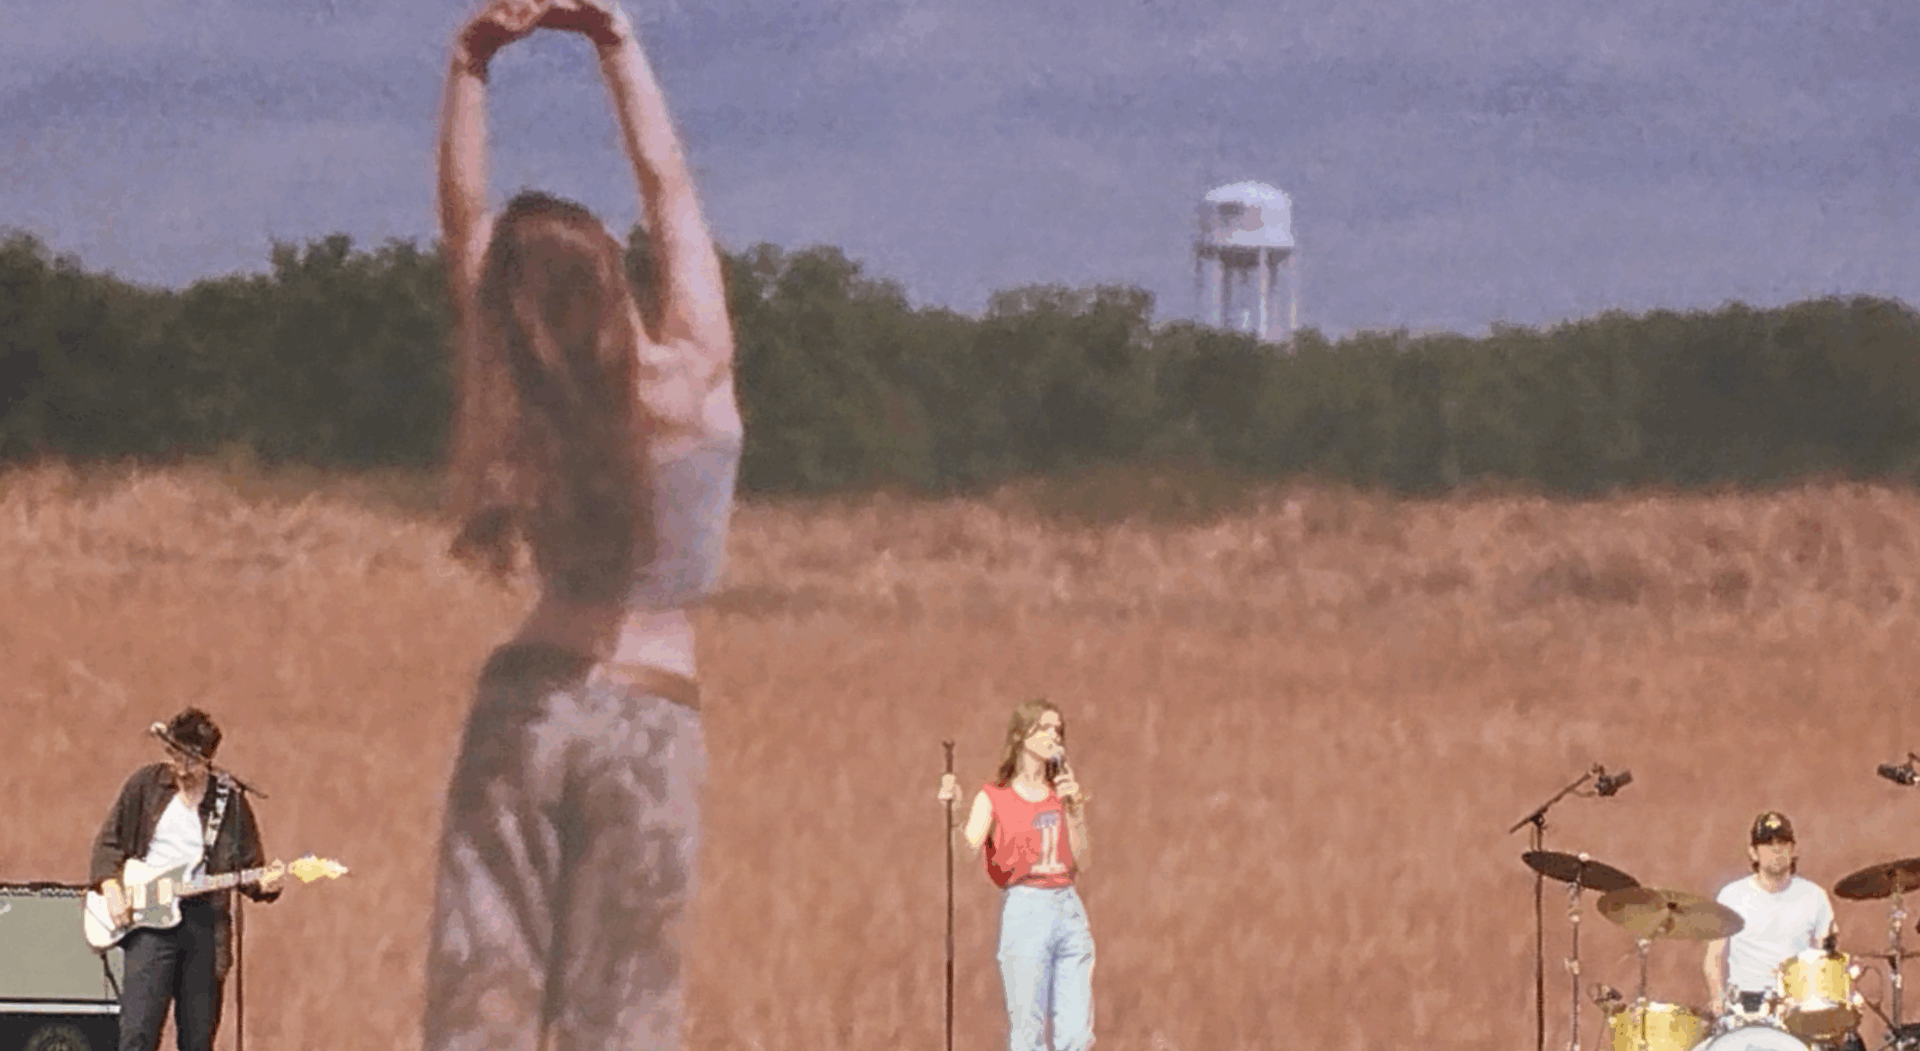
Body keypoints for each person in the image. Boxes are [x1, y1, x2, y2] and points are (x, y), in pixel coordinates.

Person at [423, 0, 741, 1048]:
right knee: (623, 1023)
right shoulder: (692, 380)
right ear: (617, 275)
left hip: (524, 704)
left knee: (482, 1007)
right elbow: (673, 188)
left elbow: (467, 225)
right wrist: (614, 39)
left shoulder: (536, 398)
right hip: (652, 716)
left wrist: (471, 62)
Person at [89, 708, 283, 1051]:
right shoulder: (145, 785)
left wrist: (267, 885)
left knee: (197, 1038)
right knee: (138, 1033)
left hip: (203, 924)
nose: (180, 767)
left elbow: (249, 868)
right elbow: (108, 843)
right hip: (147, 921)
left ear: (208, 760)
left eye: (190, 761)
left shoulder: (229, 802)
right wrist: (112, 890)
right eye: (175, 756)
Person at [938, 699, 1097, 1051]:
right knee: (1028, 1029)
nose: (1053, 737)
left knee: (1077, 1034)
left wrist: (1075, 811)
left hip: (1068, 905)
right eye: (1045, 729)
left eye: (1058, 731)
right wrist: (953, 812)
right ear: (1023, 736)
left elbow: (1082, 860)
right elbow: (966, 850)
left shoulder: (1062, 794)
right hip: (1026, 906)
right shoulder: (995, 797)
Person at [1703, 810, 1859, 1048]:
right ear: (1753, 852)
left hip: (1794, 1010)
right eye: (1767, 844)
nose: (1776, 850)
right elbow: (1713, 958)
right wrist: (1717, 999)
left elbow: (1827, 959)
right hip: (1743, 1010)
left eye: (1782, 843)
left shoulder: (1814, 896)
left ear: (1793, 849)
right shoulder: (1731, 896)